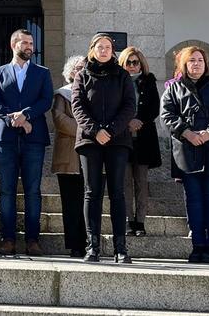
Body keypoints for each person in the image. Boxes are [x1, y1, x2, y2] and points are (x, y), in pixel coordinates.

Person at [158, 45, 209, 264]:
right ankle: (197, 243)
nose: (197, 64)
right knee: (192, 198)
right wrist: (186, 132)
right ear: (184, 64)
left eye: (200, 60)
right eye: (192, 60)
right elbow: (167, 115)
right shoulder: (174, 89)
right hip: (187, 149)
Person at [0, 28, 54, 257]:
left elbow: (46, 100)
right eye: (24, 42)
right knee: (6, 191)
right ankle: (8, 239)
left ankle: (33, 240)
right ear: (13, 44)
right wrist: (13, 119)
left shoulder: (42, 72)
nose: (29, 46)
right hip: (5, 138)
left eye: (31, 43)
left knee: (32, 190)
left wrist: (26, 115)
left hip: (33, 138)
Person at [71, 34, 137, 263]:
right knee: (92, 192)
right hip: (90, 141)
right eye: (100, 47)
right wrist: (95, 130)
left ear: (113, 51)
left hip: (117, 140)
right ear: (92, 50)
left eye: (108, 47)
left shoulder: (122, 75)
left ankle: (121, 248)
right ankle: (93, 247)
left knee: (117, 192)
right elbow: (77, 107)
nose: (104, 50)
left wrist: (110, 130)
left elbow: (130, 105)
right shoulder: (82, 75)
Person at [118, 46, 162, 237]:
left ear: (141, 63)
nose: (132, 66)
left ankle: (140, 221)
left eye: (135, 62)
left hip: (144, 138)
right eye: (128, 62)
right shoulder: (118, 81)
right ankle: (128, 220)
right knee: (125, 182)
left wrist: (139, 121)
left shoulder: (149, 81)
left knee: (141, 182)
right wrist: (127, 121)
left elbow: (154, 108)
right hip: (123, 137)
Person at [52, 55, 87, 258]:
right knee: (70, 202)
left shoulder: (91, 92)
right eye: (77, 68)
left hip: (89, 155)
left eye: (84, 67)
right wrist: (86, 129)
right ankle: (75, 244)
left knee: (88, 201)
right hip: (68, 155)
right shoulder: (62, 94)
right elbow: (59, 119)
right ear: (70, 72)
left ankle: (90, 241)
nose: (80, 70)